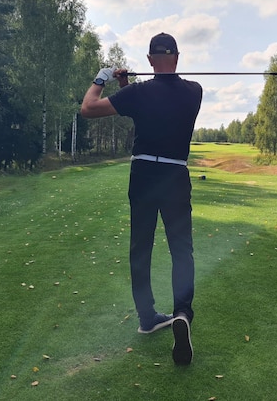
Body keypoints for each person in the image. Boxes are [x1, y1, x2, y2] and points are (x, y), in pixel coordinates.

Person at [80, 32, 202, 365]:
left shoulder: (138, 92)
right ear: (176, 57)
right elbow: (159, 110)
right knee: (181, 249)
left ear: (149, 61)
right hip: (176, 176)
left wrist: (103, 79)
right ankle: (181, 313)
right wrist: (131, 91)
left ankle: (147, 317)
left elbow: (88, 108)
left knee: (141, 247)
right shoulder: (194, 91)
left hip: (144, 174)